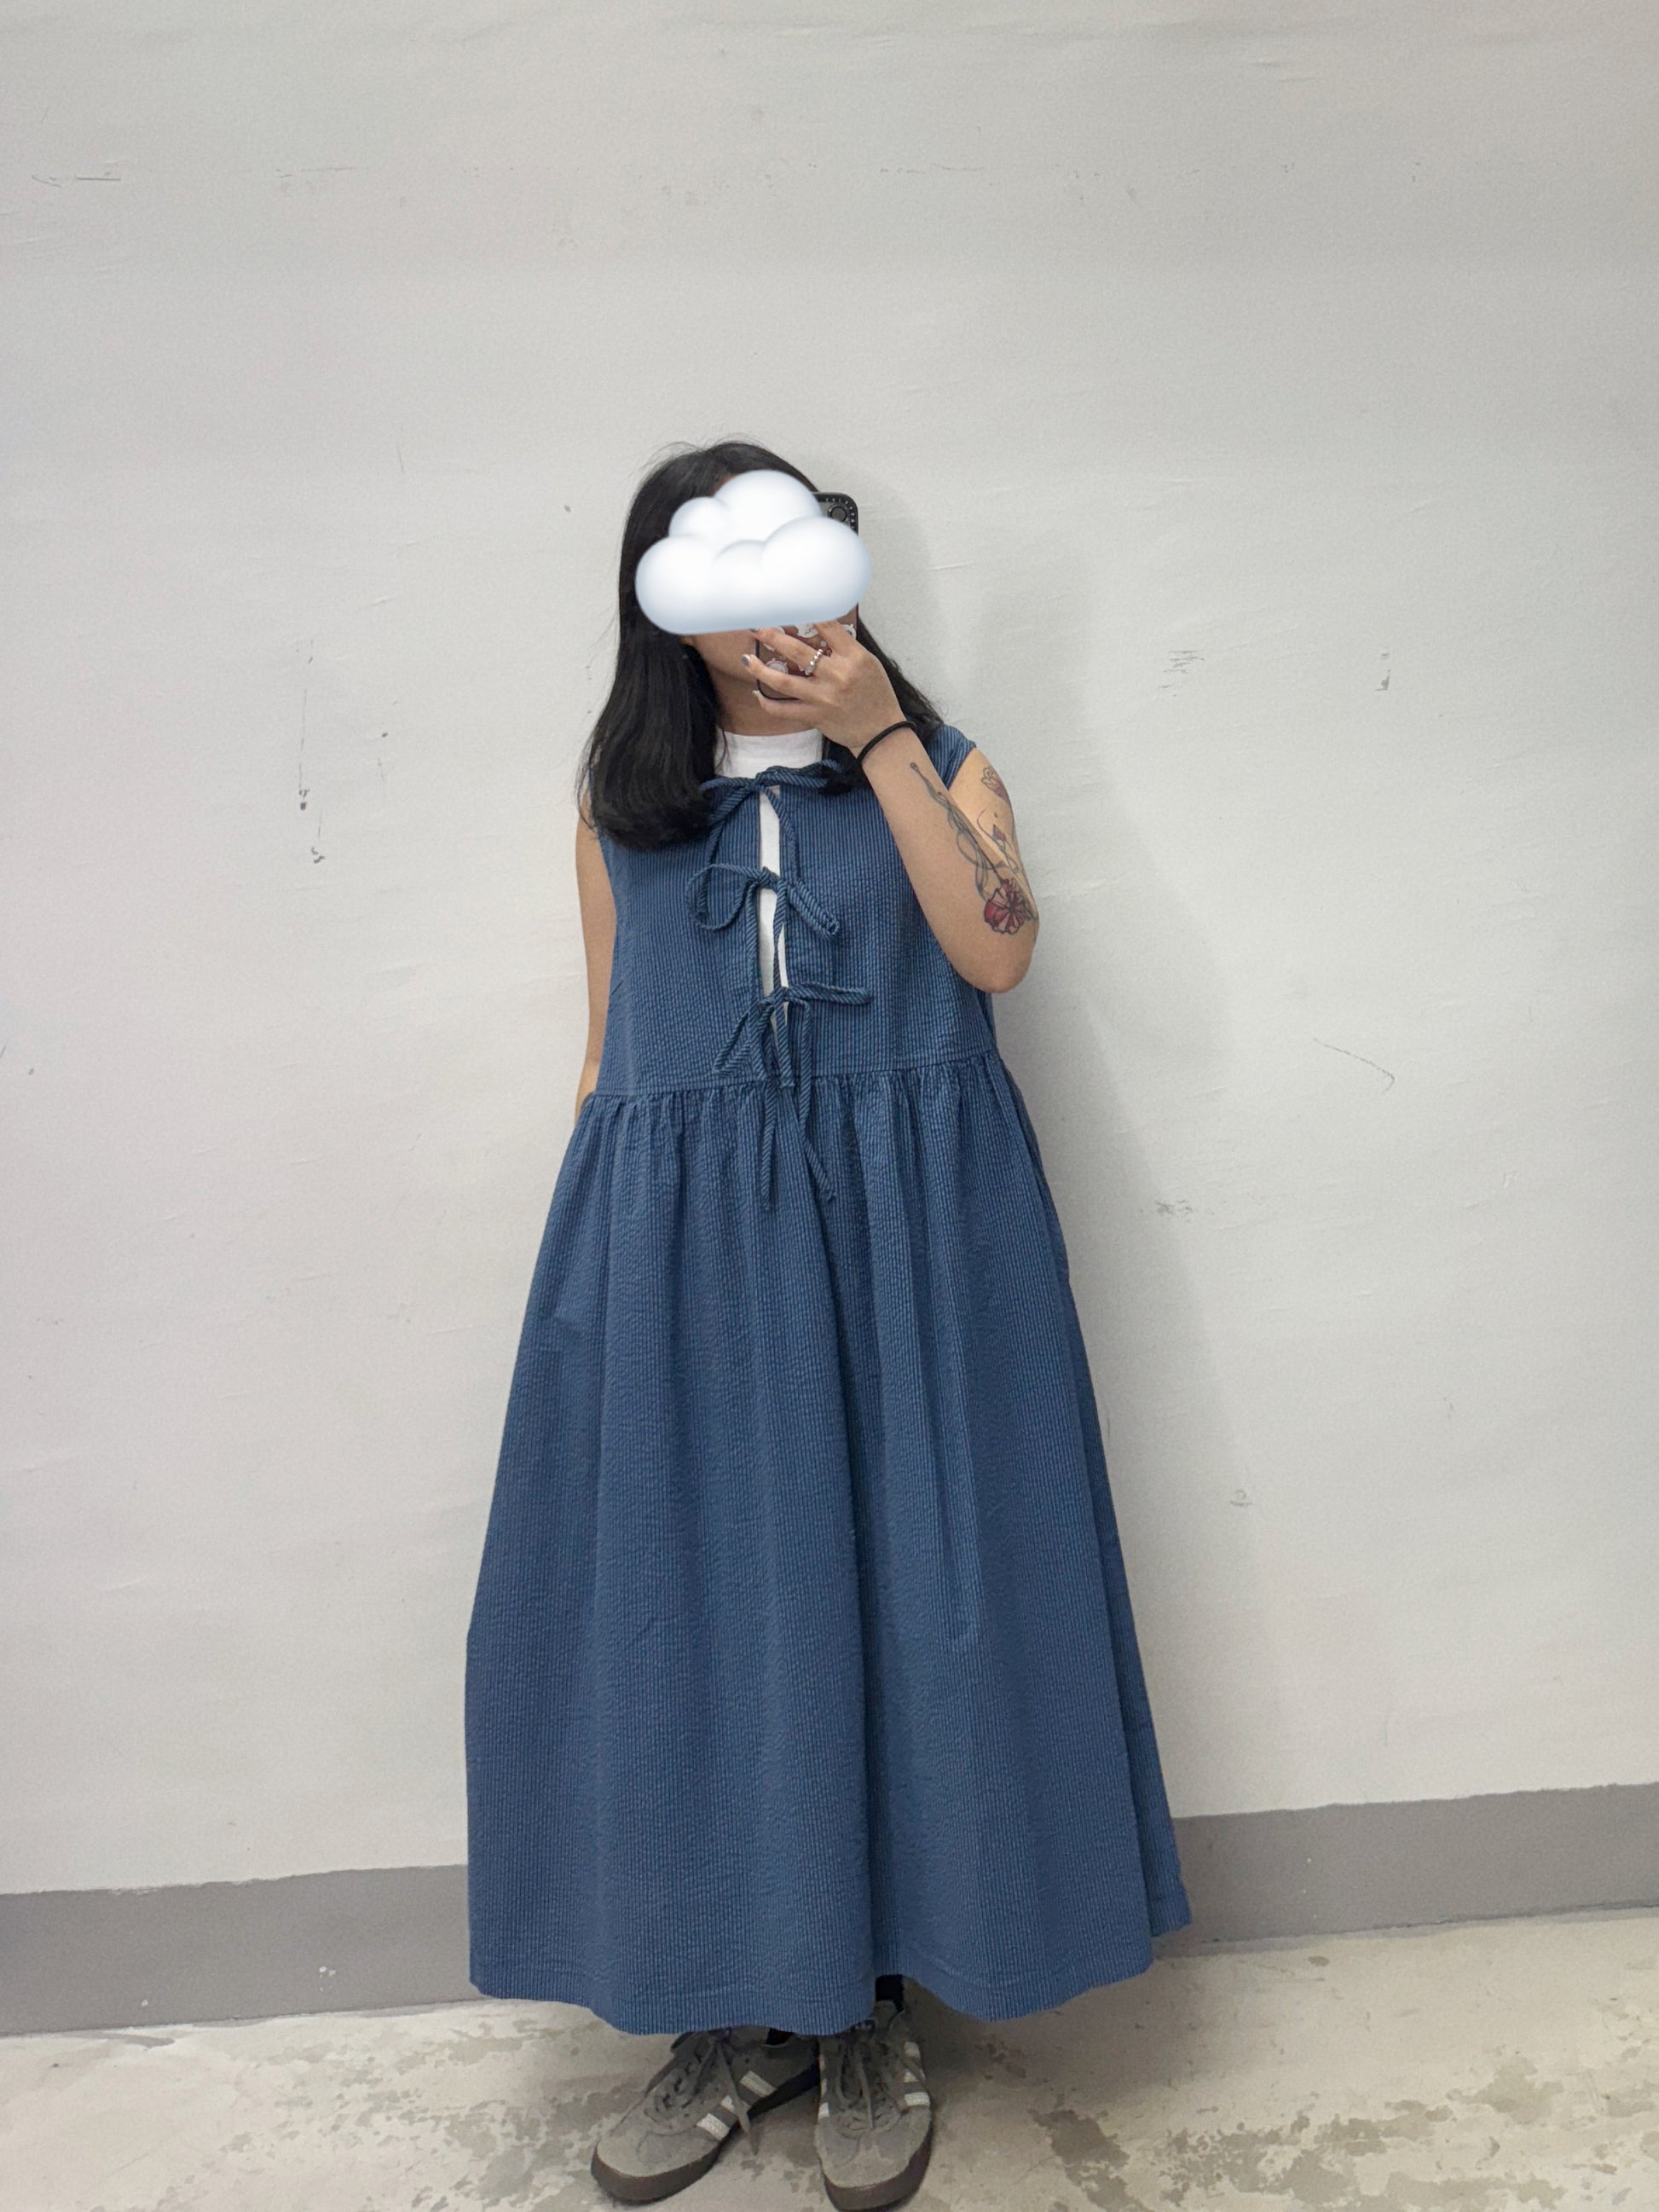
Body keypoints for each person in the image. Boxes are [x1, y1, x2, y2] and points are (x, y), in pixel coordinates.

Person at [463, 439, 1193, 2209]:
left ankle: (868, 2008)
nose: (768, 614)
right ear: (661, 606)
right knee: (700, 1620)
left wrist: (875, 738)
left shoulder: (940, 764)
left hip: (921, 1247)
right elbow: (611, 1052)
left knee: (915, 1612)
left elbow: (995, 953)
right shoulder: (619, 802)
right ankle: (734, 2005)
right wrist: (598, 1303)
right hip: (692, 1254)